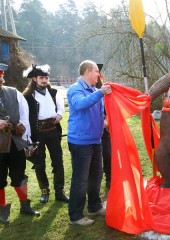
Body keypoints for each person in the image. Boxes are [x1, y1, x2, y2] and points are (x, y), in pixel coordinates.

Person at [67, 60, 112, 226]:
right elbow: (80, 105)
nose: (98, 75)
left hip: (95, 140)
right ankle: (76, 215)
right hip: (81, 142)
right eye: (95, 71)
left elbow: (96, 112)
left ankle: (94, 206)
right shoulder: (75, 89)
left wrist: (104, 122)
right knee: (80, 179)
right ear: (87, 72)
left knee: (96, 175)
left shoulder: (93, 89)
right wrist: (100, 93)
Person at [22, 64, 69, 204]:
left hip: (53, 132)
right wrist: (28, 139)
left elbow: (61, 108)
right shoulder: (27, 96)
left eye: (46, 77)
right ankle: (44, 192)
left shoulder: (54, 92)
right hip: (37, 135)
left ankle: (59, 192)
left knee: (58, 162)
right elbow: (24, 118)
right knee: (39, 164)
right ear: (35, 78)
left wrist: (60, 115)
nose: (44, 80)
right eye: (41, 77)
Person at [0, 63, 40, 225]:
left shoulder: (14, 93)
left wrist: (23, 132)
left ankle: (25, 206)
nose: (0, 79)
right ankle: (2, 212)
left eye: (1, 76)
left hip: (15, 143)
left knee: (19, 175)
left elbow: (24, 116)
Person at [96, 64, 111, 189]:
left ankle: (109, 179)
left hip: (105, 130)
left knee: (108, 155)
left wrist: (107, 121)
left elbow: (109, 109)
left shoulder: (106, 91)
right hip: (91, 130)